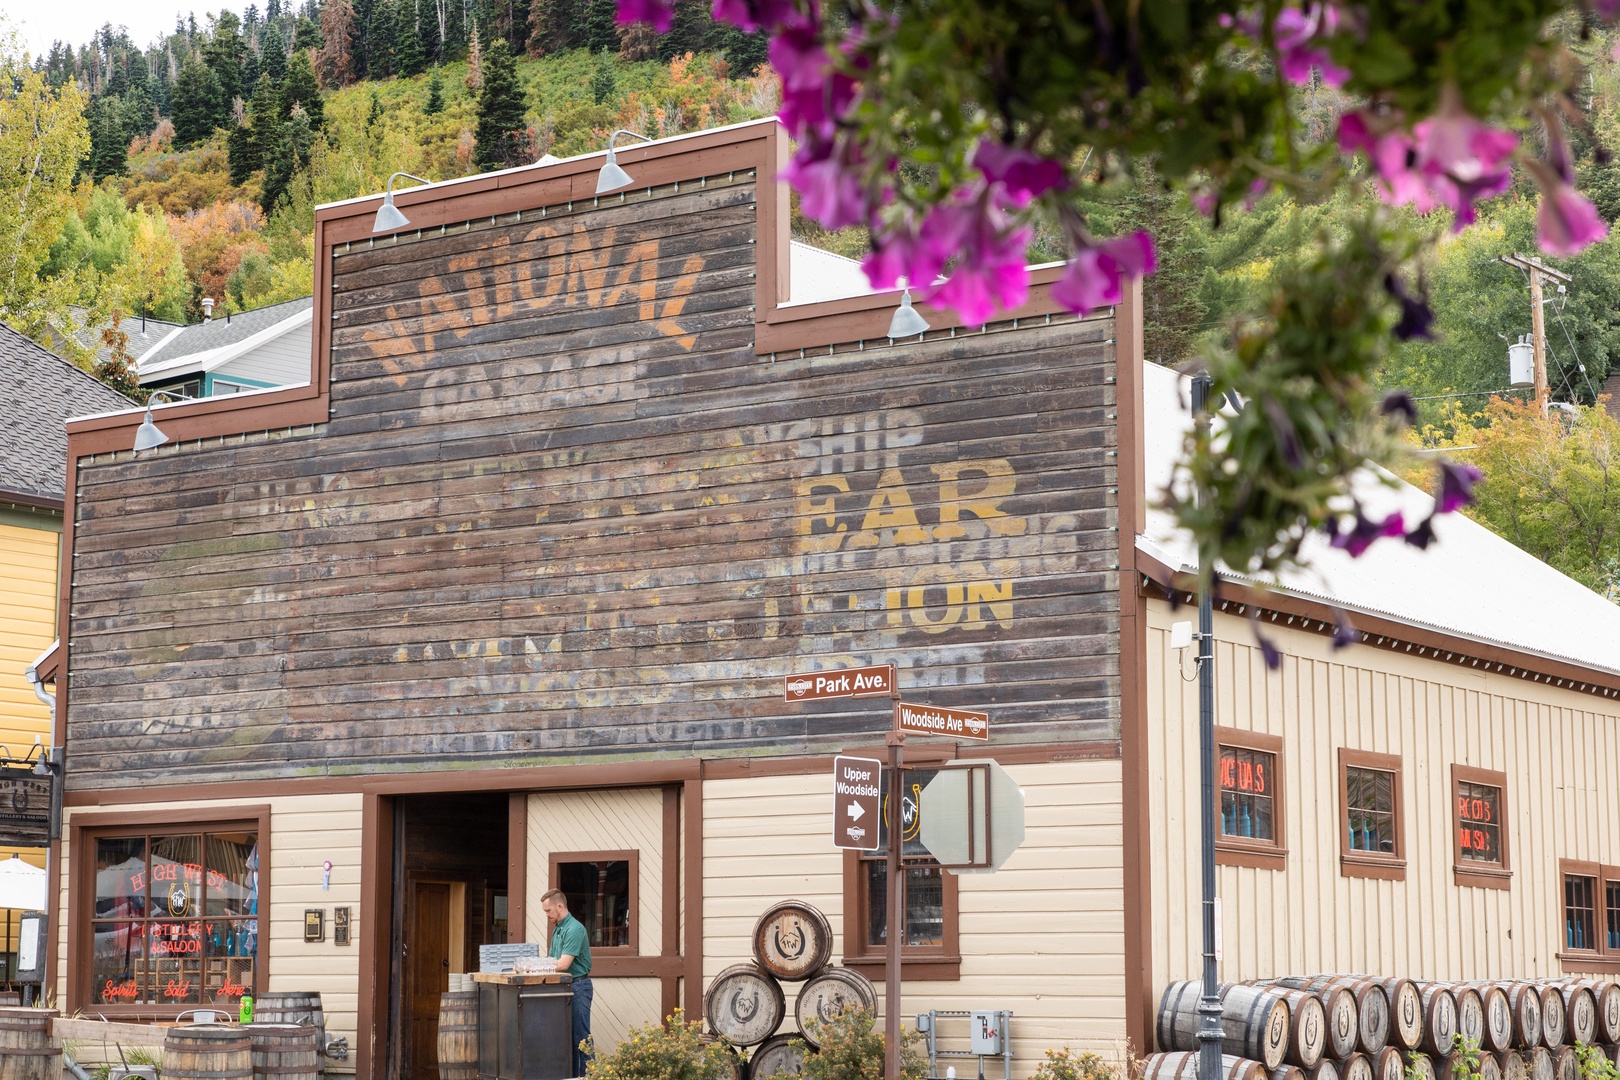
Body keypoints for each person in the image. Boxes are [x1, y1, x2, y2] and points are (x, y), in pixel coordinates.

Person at [541, 888, 592, 1077]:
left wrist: (536, 966)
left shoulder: (575, 929)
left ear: (560, 906)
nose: (547, 915)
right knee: (567, 1040)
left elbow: (562, 964)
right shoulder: (558, 929)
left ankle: (588, 1076)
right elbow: (551, 960)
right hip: (563, 988)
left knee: (581, 1038)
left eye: (548, 911)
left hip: (578, 986)